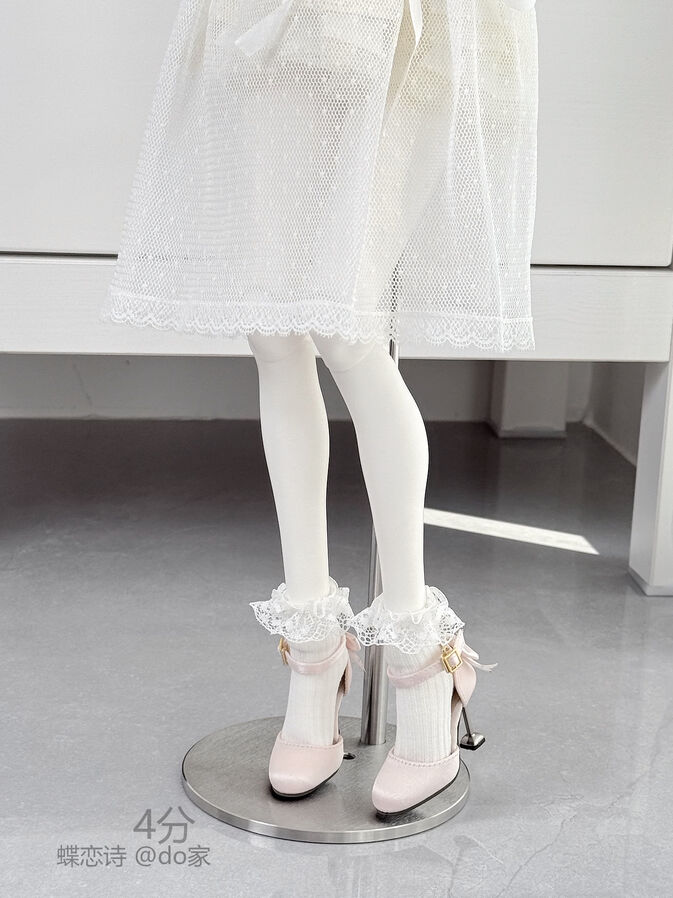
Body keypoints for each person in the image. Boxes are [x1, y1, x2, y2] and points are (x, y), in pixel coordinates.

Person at [101, 0, 539, 816]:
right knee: (273, 328)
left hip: (397, 24)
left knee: (349, 332)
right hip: (266, 21)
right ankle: (312, 651)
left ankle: (421, 663)